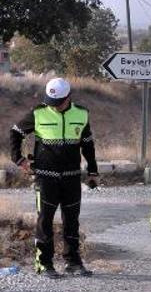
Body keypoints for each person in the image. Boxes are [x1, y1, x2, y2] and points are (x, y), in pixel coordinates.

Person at [9, 77, 98, 279]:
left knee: (71, 221)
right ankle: (44, 264)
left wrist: (93, 172)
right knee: (45, 221)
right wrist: (19, 159)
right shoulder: (38, 112)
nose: (54, 106)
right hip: (45, 177)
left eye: (58, 102)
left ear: (68, 97)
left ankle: (73, 262)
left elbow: (88, 144)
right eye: (51, 102)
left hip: (72, 178)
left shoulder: (82, 113)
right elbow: (15, 132)